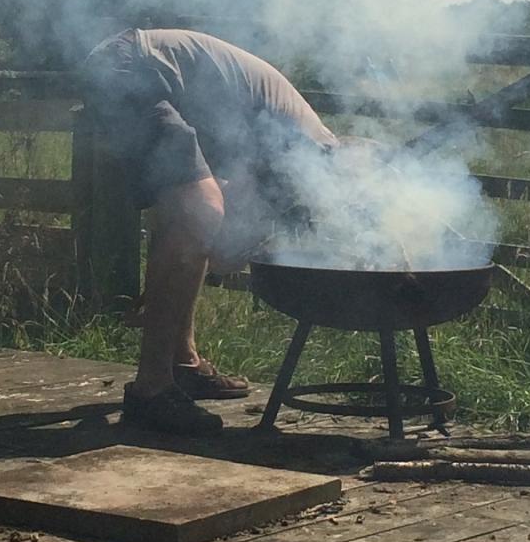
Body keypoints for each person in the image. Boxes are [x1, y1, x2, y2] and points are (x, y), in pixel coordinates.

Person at [82, 28, 338, 435]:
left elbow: (217, 246)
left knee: (195, 215)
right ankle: (151, 389)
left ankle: (182, 364)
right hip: (131, 67)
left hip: (129, 66)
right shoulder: (308, 149)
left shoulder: (279, 132)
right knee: (200, 212)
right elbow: (225, 249)